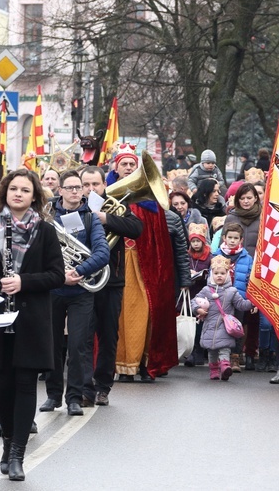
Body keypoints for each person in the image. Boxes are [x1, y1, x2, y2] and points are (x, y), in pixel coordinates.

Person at [0, 169, 64, 481]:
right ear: (5, 193)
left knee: (27, 384)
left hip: (31, 319)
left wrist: (23, 281)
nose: (18, 194)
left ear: (34, 196)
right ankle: (6, 444)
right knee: (3, 386)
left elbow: (56, 274)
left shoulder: (45, 231)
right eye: (13, 189)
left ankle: (17, 454)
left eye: (25, 190)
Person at [41, 170, 109, 416]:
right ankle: (52, 395)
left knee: (79, 346)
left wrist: (78, 271)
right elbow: (39, 251)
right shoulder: (47, 217)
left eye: (77, 187)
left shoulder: (90, 218)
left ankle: (74, 398)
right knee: (52, 344)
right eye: (68, 187)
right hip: (54, 288)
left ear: (82, 190)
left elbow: (103, 254)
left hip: (81, 290)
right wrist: (60, 274)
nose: (73, 191)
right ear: (60, 191)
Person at [111, 144, 178, 381]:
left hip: (145, 264)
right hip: (120, 262)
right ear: (115, 168)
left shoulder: (150, 201)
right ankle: (122, 365)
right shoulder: (108, 193)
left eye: (132, 164)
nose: (128, 168)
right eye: (124, 164)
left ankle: (144, 363)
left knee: (148, 312)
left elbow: (160, 241)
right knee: (122, 315)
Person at [79, 166, 143, 406]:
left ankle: (103, 386)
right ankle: (85, 388)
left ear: (104, 185)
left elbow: (137, 229)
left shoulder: (115, 205)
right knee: (83, 337)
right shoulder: (75, 207)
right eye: (86, 184)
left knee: (108, 336)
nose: (90, 189)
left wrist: (107, 219)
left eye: (95, 184)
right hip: (83, 281)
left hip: (111, 281)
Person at [191, 255, 253, 380]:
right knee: (212, 351)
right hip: (209, 326)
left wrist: (252, 302)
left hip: (224, 327)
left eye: (223, 273)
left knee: (224, 348)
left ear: (228, 274)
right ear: (211, 274)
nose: (219, 275)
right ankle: (214, 370)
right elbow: (194, 301)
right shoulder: (206, 290)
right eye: (216, 273)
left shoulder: (232, 291)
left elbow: (241, 304)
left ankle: (225, 367)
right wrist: (198, 309)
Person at [222, 183, 262, 369]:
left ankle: (252, 352)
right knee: (234, 314)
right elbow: (222, 245)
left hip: (256, 272)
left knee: (253, 315)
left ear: (256, 198)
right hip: (233, 273)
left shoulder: (263, 218)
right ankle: (234, 355)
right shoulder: (232, 217)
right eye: (242, 198)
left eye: (249, 197)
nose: (246, 201)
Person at [212, 223, 254, 373]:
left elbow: (250, 279)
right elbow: (211, 276)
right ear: (224, 238)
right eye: (229, 237)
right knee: (220, 328)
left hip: (238, 298)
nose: (232, 240)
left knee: (237, 327)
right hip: (220, 298)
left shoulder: (246, 257)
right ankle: (220, 358)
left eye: (236, 238)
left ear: (241, 240)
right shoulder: (217, 255)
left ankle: (235, 356)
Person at [185, 223, 212, 367]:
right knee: (190, 323)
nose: (195, 244)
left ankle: (199, 352)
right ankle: (190, 352)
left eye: (198, 241)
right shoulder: (187, 255)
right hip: (189, 292)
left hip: (202, 294)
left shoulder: (209, 257)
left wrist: (203, 276)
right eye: (193, 241)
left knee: (200, 323)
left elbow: (212, 274)